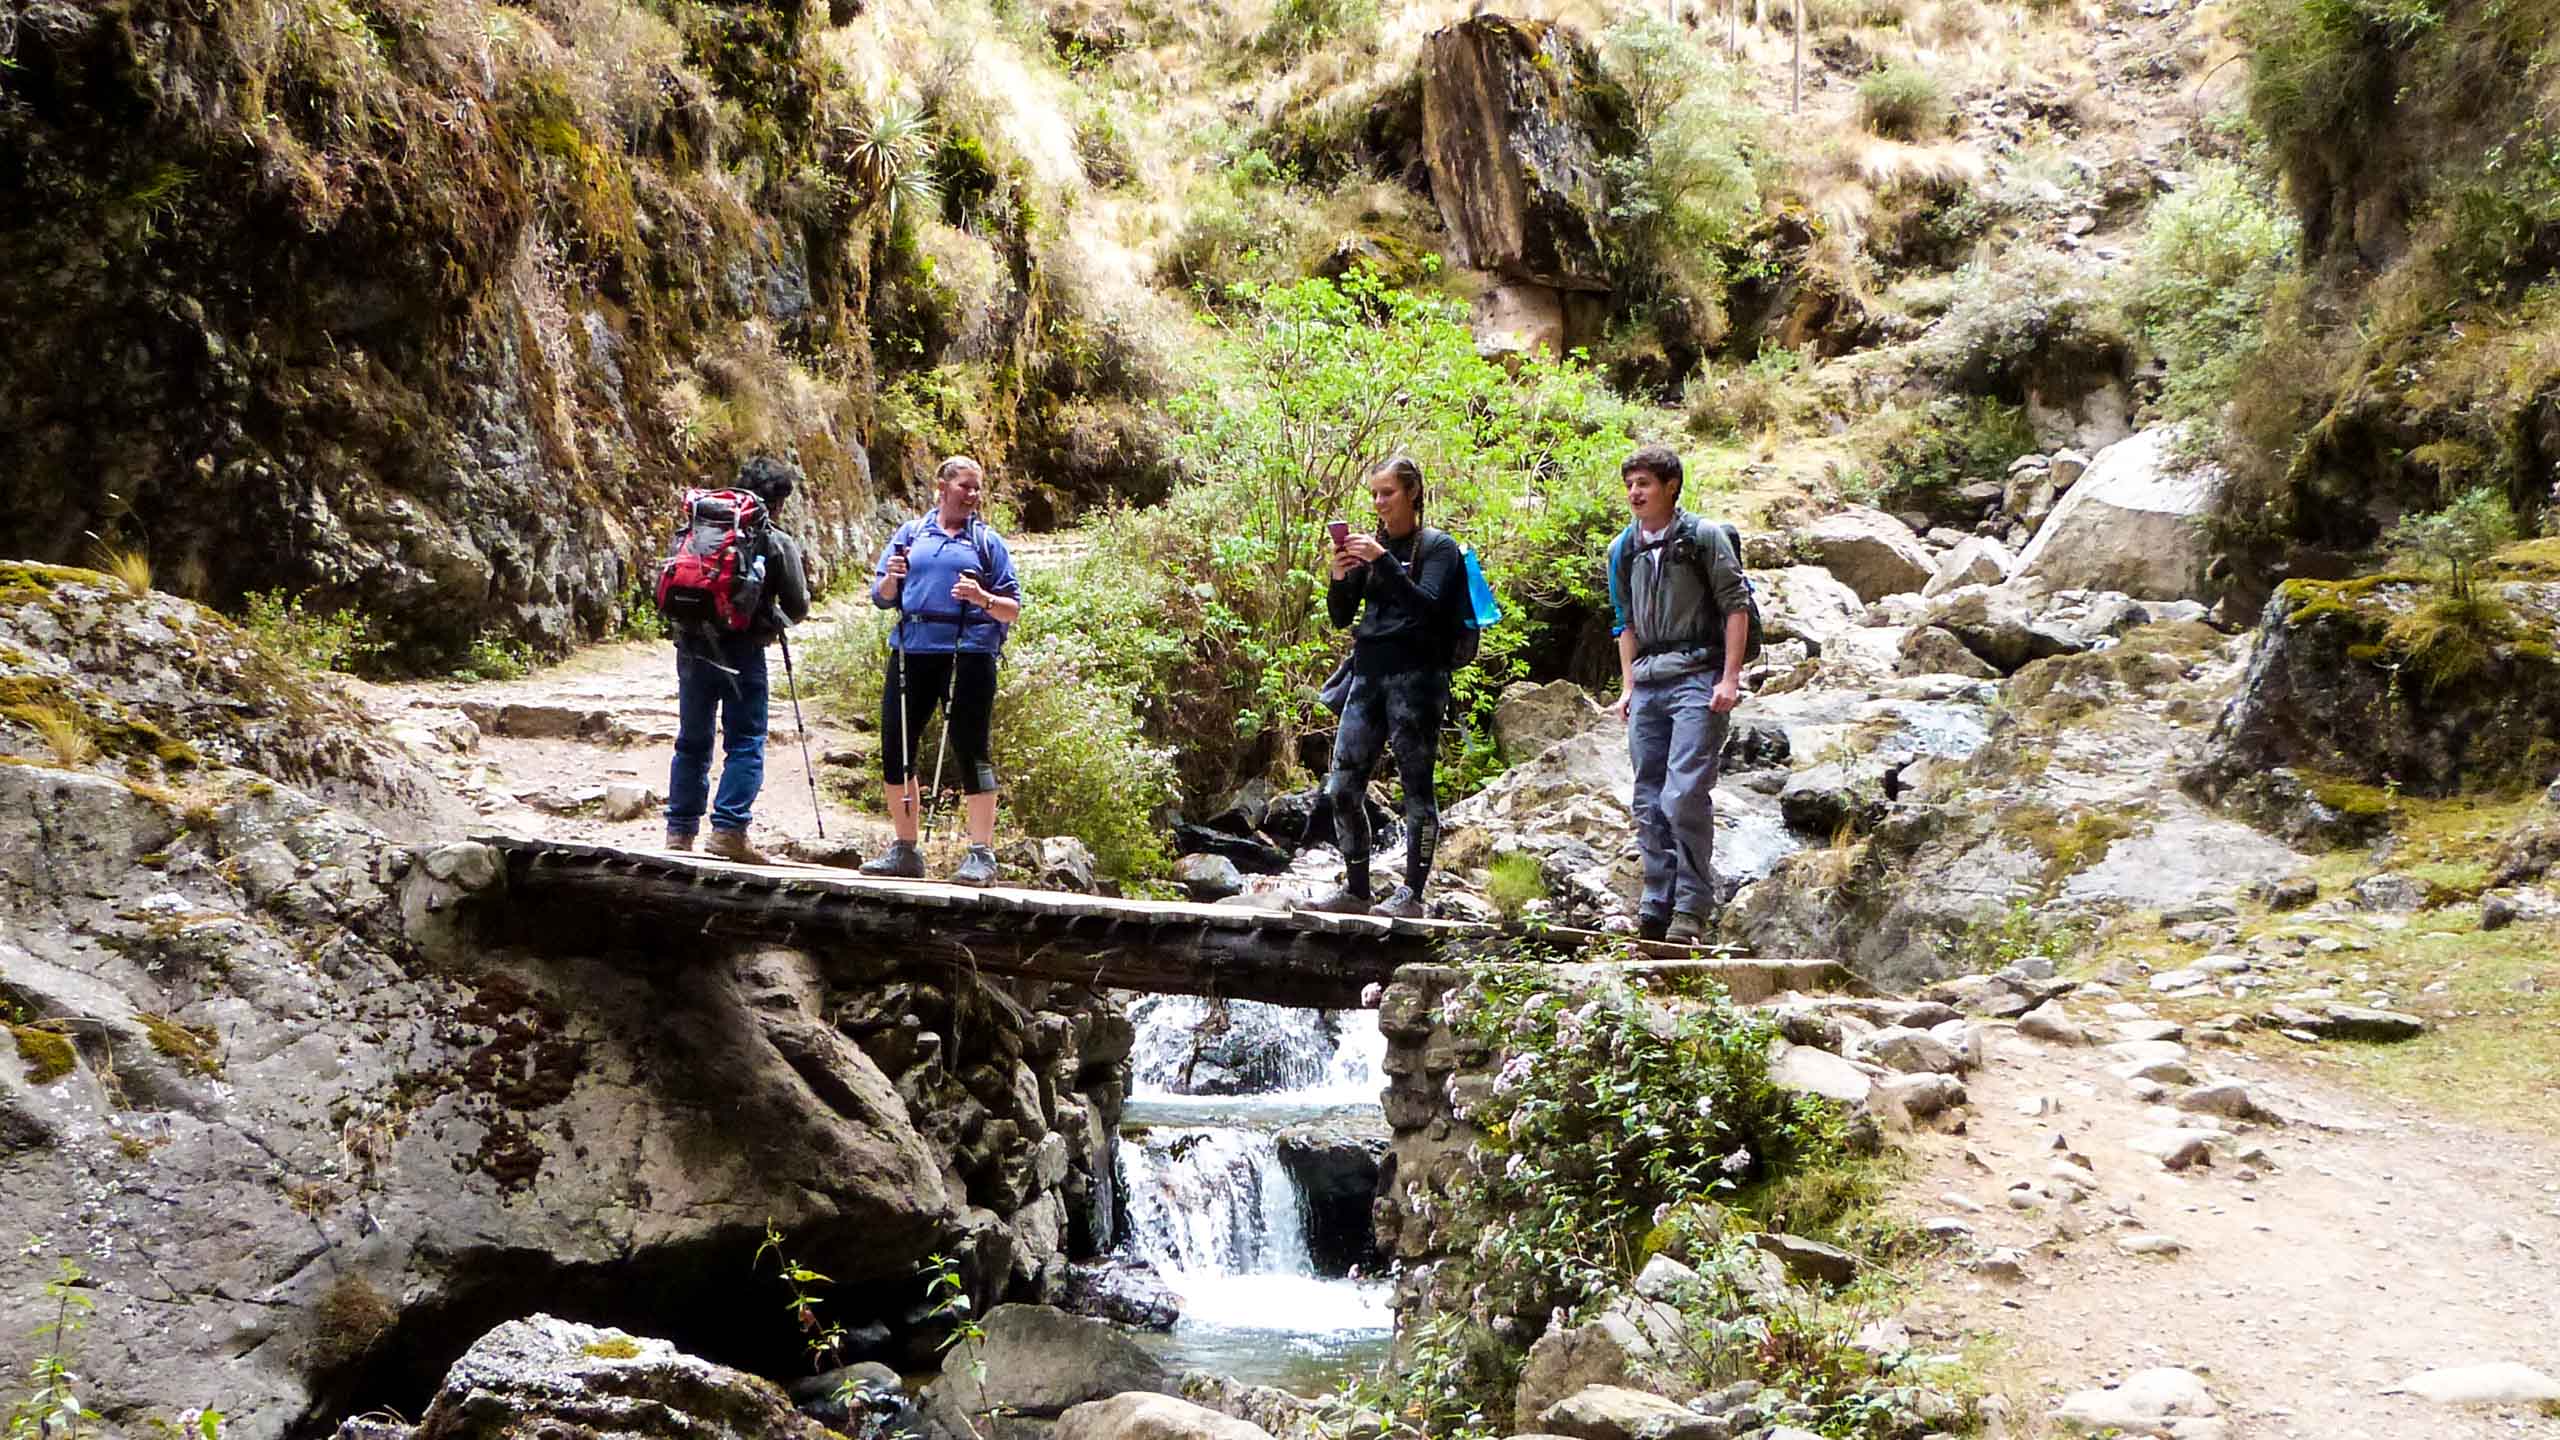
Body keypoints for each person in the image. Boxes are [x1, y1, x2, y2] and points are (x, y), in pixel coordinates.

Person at [1302, 455, 1461, 920]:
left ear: (1412, 493)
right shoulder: (1372, 549)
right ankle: (1357, 889)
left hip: (1418, 678)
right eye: (1374, 494)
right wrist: (1339, 575)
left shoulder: (1439, 548)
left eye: (1387, 493)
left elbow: (1427, 607)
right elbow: (1340, 617)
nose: (1379, 502)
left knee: (1416, 787)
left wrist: (1383, 560)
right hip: (1367, 675)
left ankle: (1412, 894)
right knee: (1342, 787)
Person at [1606, 444, 1751, 944]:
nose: (1634, 493)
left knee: (1684, 792)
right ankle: (1656, 901)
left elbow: (1736, 607)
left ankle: (1690, 908)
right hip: (1647, 681)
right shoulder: (1622, 549)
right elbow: (1623, 622)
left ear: (1671, 487)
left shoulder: (1705, 538)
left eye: (1643, 483)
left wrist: (1729, 678)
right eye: (1629, 484)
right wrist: (1627, 686)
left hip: (1697, 675)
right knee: (1647, 797)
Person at [859, 456, 1024, 886]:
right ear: (943, 487)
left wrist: (980, 597)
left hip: (968, 653)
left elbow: (1012, 609)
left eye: (977, 488)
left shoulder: (988, 543)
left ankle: (981, 854)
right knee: (897, 747)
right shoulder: (911, 535)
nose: (972, 495)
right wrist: (892, 580)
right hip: (912, 651)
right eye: (965, 486)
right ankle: (905, 849)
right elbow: (881, 596)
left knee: (971, 748)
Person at [665, 455, 813, 863]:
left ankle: (679, 832)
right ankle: (729, 830)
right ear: (778, 501)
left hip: (692, 644)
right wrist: (769, 621)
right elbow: (798, 606)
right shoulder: (774, 539)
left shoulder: (700, 529)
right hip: (743, 650)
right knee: (745, 739)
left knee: (692, 739)